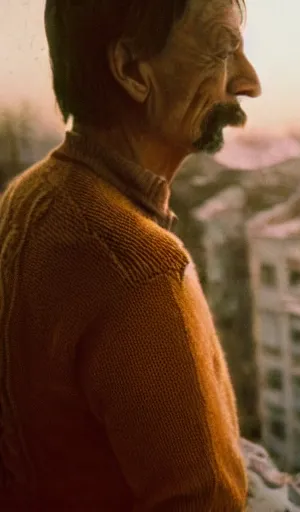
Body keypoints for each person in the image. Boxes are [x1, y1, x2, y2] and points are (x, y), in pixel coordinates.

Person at [0, 0, 261, 509]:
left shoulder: (29, 197)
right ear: (130, 70)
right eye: (223, 48)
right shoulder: (139, 269)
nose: (248, 82)